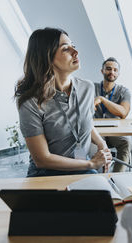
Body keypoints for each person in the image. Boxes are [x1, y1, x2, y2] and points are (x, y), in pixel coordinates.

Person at [15, 27, 111, 177]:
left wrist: (101, 143)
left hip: (81, 168)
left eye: (74, 46)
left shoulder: (87, 87)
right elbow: (42, 159)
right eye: (66, 49)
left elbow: (84, 120)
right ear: (47, 57)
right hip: (46, 174)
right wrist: (91, 164)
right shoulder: (30, 101)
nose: (75, 51)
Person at [94, 57, 131, 172]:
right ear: (102, 71)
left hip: (115, 131)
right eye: (108, 69)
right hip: (96, 131)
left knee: (126, 143)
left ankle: (116, 177)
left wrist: (102, 100)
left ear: (118, 73)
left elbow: (123, 113)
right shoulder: (92, 87)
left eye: (115, 70)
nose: (112, 72)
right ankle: (95, 177)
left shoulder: (124, 91)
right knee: (91, 146)